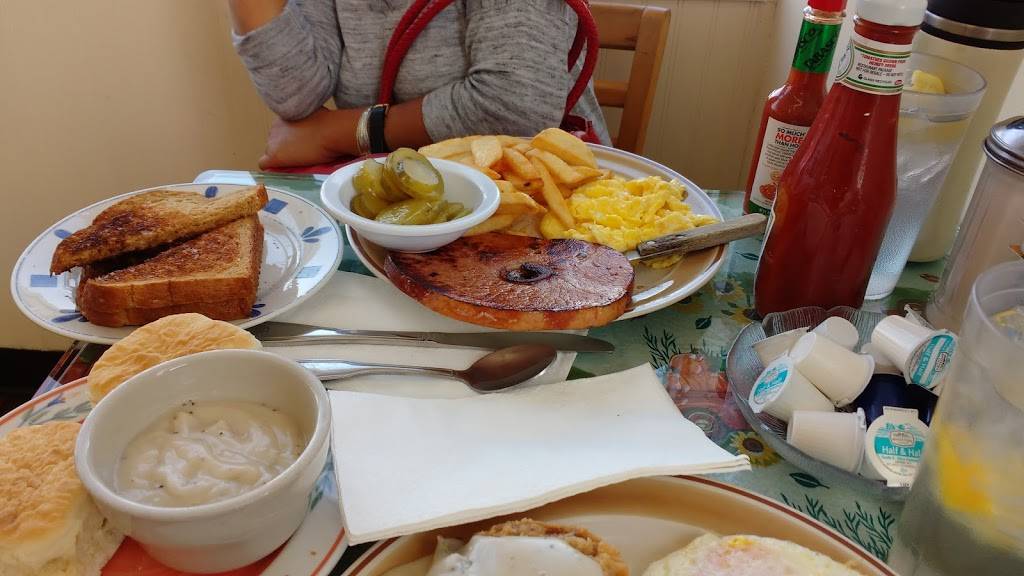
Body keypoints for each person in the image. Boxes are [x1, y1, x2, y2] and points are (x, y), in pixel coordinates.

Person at [229, 0, 611, 170]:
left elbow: (515, 104)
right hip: (400, 208)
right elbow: (296, 94)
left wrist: (337, 133)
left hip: (536, 214)